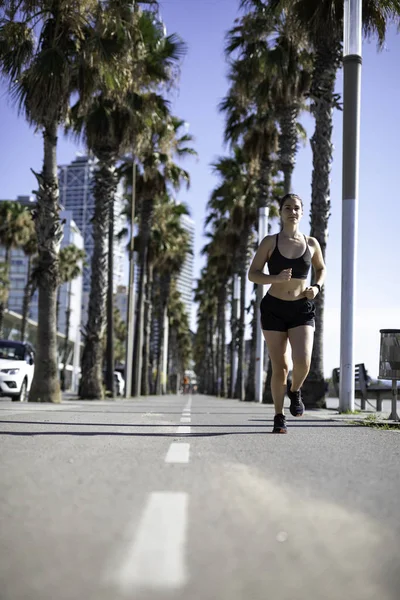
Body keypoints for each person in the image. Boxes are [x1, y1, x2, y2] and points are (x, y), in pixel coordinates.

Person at [248, 193, 326, 434]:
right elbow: (253, 273)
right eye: (287, 208)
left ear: (302, 213)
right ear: (280, 212)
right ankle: (279, 416)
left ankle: (294, 390)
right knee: (280, 365)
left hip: (301, 307)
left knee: (303, 362)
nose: (292, 211)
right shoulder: (270, 242)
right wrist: (275, 278)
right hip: (274, 308)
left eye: (296, 208)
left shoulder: (311, 243)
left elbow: (321, 268)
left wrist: (317, 286)